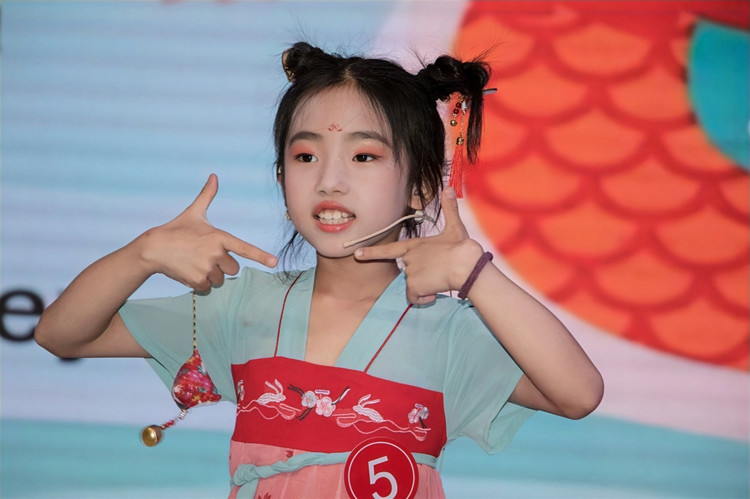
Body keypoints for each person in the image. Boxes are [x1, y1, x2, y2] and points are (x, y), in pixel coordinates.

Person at [35, 42, 603, 498]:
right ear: (281, 179)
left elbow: (578, 395)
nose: (330, 181)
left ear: (422, 186)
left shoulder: (448, 330)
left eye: (364, 156)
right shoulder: (242, 306)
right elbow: (61, 333)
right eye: (305, 156)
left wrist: (475, 274)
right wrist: (144, 253)